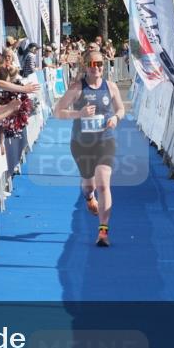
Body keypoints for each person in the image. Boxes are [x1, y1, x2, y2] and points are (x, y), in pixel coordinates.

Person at [54, 50, 126, 247]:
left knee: (104, 184)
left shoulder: (110, 87)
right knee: (89, 185)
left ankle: (103, 232)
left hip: (105, 141)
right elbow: (57, 112)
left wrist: (115, 117)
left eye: (100, 63)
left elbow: (121, 109)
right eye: (93, 64)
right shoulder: (77, 88)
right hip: (82, 144)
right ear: (86, 66)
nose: (97, 67)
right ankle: (89, 197)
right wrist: (80, 113)